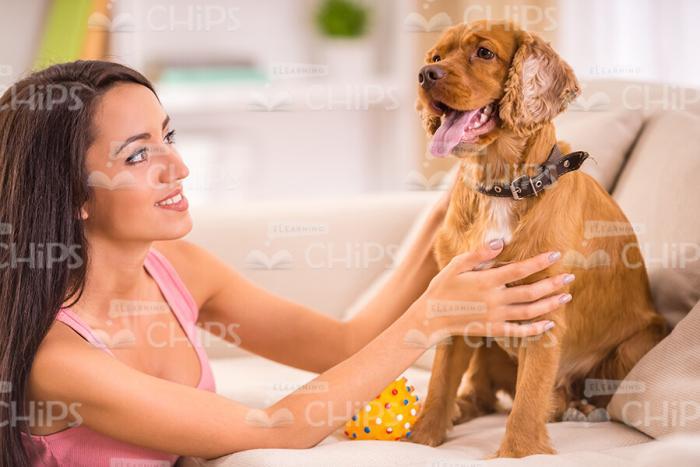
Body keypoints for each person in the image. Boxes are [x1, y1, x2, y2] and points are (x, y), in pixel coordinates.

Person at [0, 61, 572, 466]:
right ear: (71, 194)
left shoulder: (178, 270)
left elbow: (343, 344)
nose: (177, 166)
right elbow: (279, 429)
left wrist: (460, 196)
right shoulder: (58, 361)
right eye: (139, 153)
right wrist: (435, 316)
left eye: (168, 136)